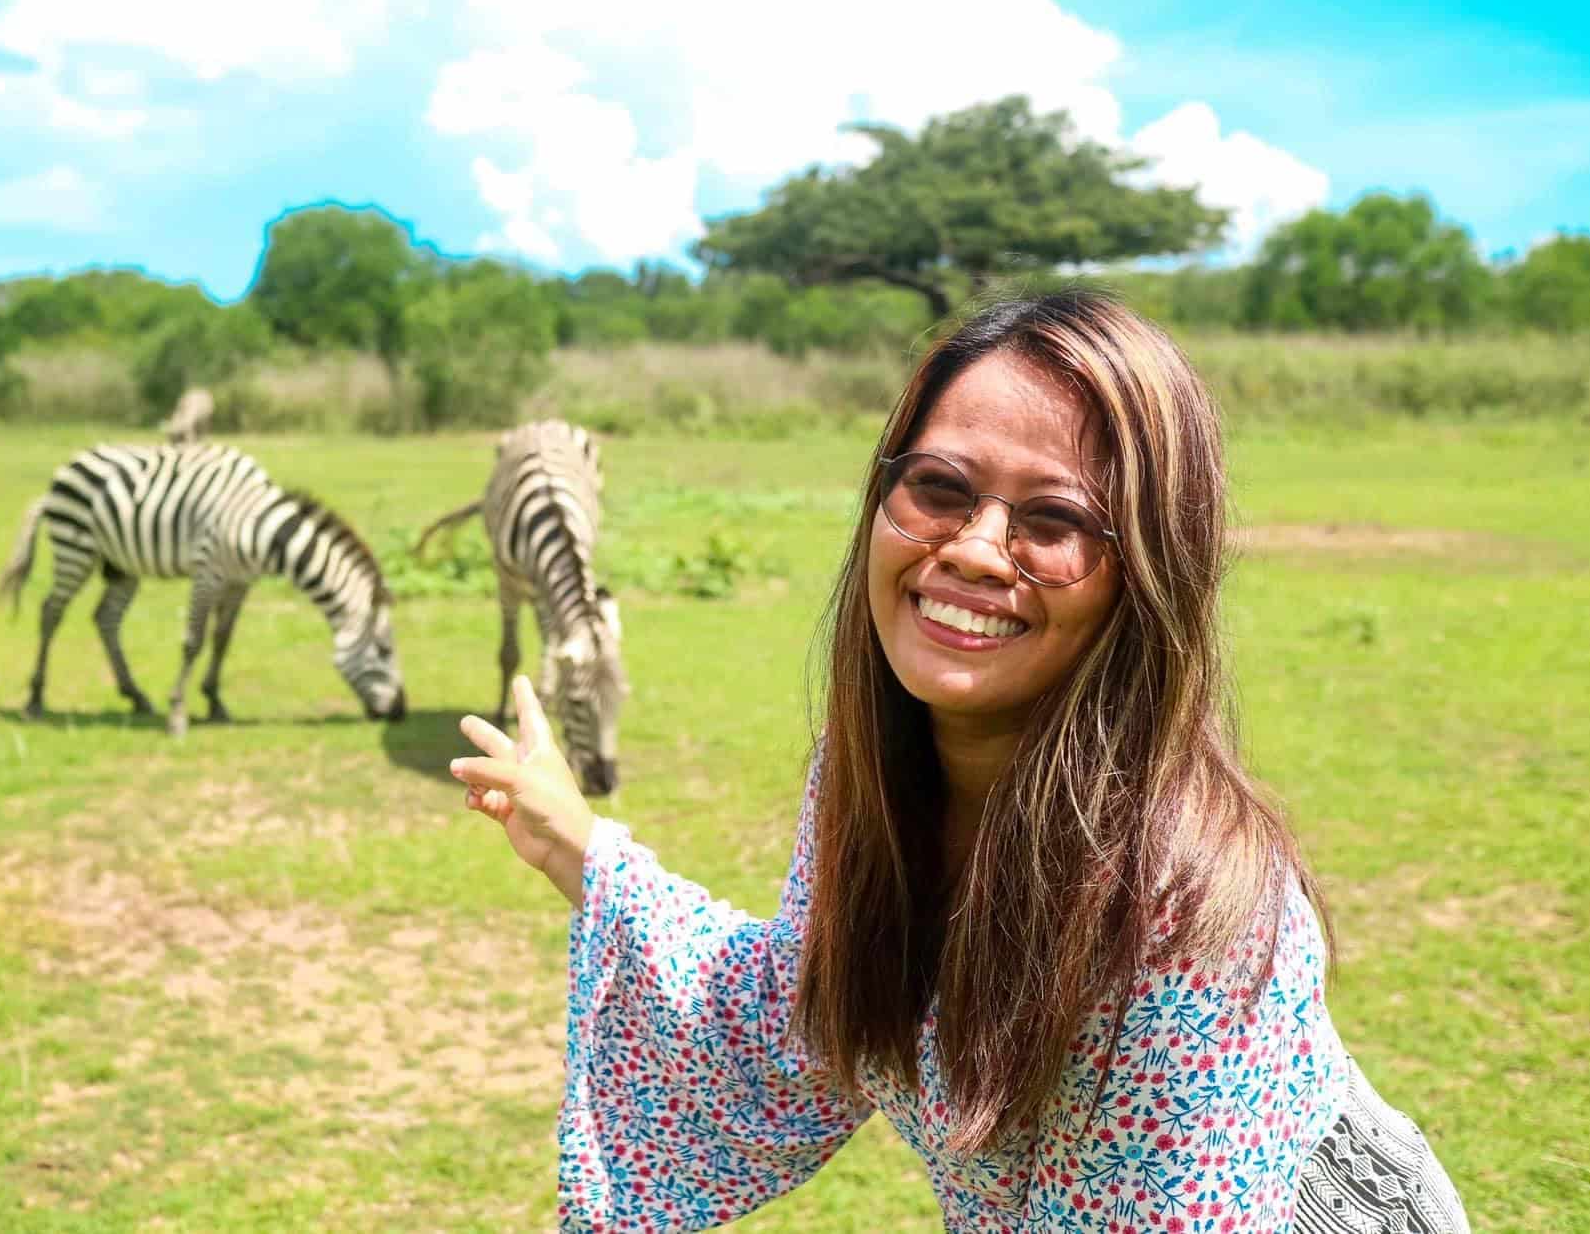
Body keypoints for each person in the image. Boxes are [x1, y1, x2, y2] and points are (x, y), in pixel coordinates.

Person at [450, 292, 1467, 1233]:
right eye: (939, 488)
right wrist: (575, 844)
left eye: (1054, 518)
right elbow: (794, 1015)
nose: (978, 549)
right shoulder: (868, 773)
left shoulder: (1186, 904)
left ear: (1149, 568)